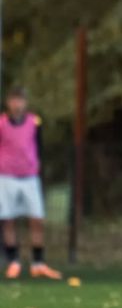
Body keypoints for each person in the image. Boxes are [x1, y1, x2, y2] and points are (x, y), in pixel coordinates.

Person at [1, 87, 60, 280]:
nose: (17, 104)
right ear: (8, 102)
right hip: (7, 176)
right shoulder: (1, 123)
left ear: (25, 102)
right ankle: (13, 262)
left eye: (20, 100)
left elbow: (39, 146)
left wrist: (37, 165)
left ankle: (38, 263)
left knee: (36, 219)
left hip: (30, 177)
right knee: (8, 219)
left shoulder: (34, 122)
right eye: (14, 100)